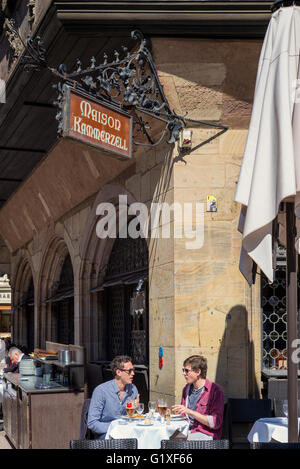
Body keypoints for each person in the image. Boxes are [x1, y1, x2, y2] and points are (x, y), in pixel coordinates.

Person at [172, 355, 224, 440]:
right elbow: (184, 415)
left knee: (175, 441)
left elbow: (215, 422)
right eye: (183, 370)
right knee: (163, 438)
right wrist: (174, 415)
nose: (184, 373)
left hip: (205, 433)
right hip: (186, 430)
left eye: (187, 371)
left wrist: (190, 412)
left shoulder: (215, 391)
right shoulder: (186, 389)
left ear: (198, 372)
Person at [87, 355, 139, 439]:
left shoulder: (133, 389)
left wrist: (136, 410)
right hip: (106, 435)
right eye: (129, 371)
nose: (133, 373)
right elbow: (92, 423)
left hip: (128, 434)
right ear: (118, 372)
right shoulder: (101, 391)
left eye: (133, 370)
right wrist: (116, 427)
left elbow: (132, 418)